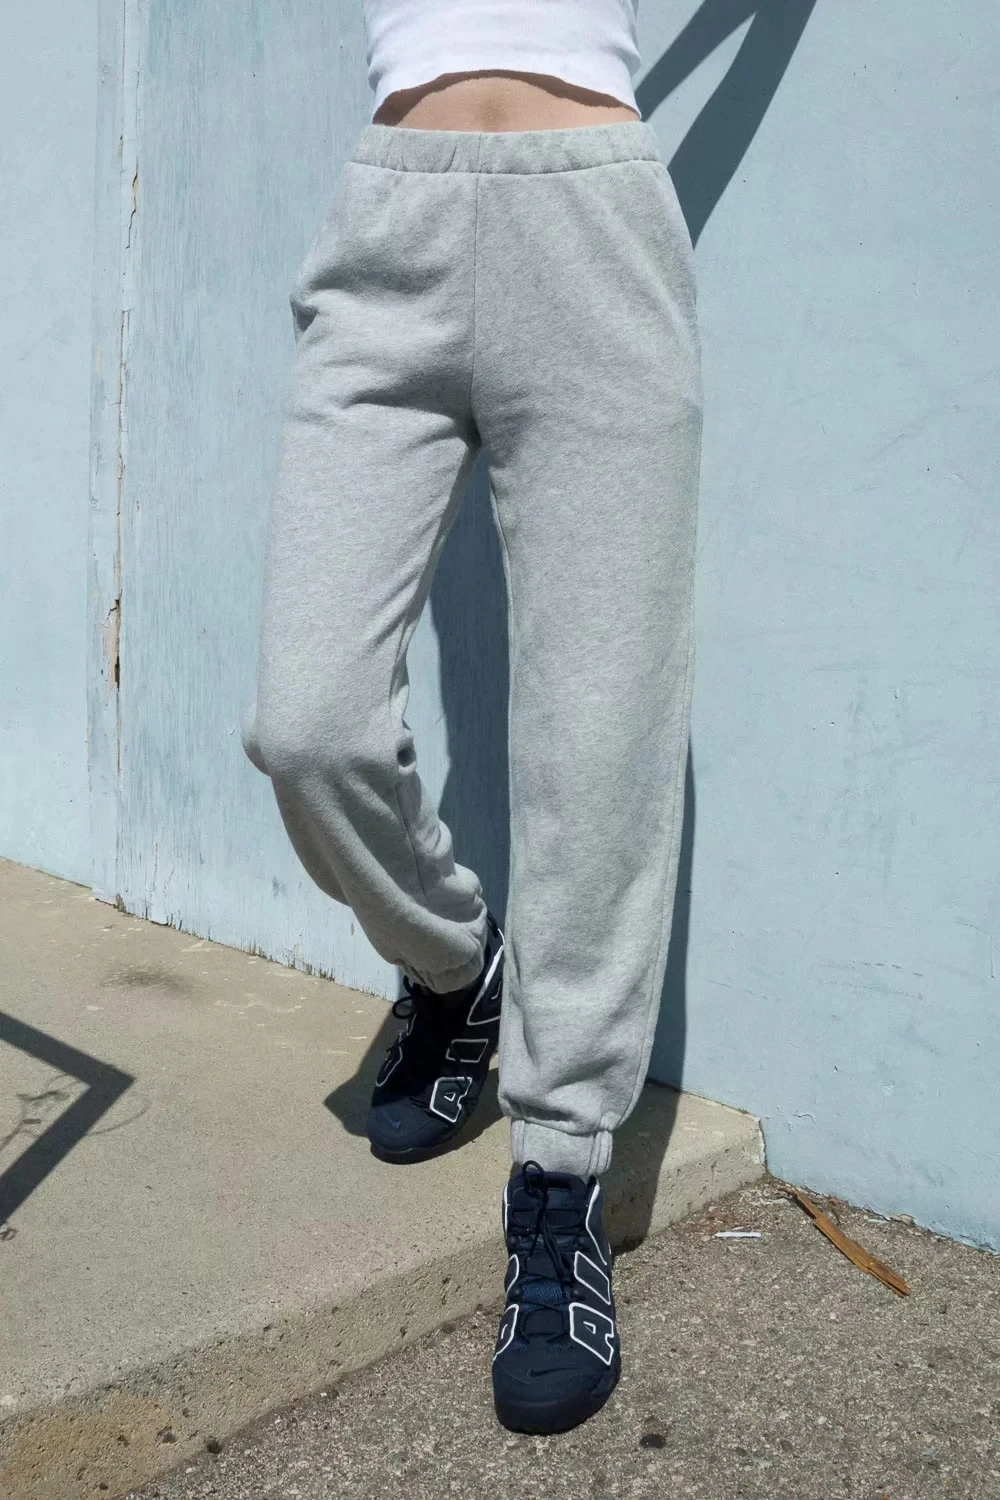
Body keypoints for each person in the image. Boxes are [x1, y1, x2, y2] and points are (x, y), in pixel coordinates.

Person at [243, 0, 702, 1435]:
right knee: (307, 722)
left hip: (597, 223)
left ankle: (558, 1178)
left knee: (601, 741)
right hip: (395, 224)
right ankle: (454, 963)